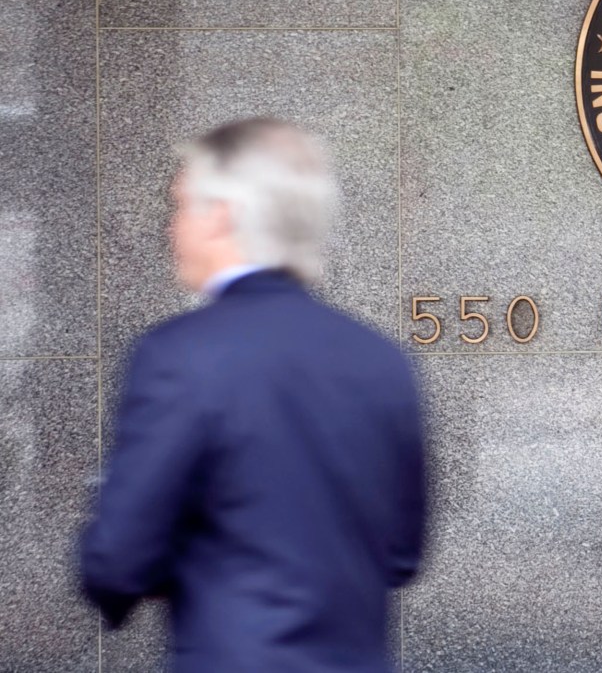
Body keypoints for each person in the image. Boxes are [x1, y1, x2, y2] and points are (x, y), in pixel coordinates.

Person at [80, 118, 426, 672]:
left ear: (221, 215)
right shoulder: (382, 360)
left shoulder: (179, 355)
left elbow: (118, 559)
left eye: (182, 206)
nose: (173, 228)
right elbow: (402, 555)